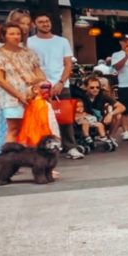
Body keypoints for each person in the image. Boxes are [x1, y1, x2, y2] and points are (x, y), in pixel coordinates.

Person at [26, 11, 84, 158]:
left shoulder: (62, 41)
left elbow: (68, 64)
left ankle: (70, 146)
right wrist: (42, 84)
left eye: (47, 21)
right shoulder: (29, 42)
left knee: (65, 116)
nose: (45, 24)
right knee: (42, 117)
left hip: (61, 84)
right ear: (34, 25)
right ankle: (44, 147)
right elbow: (29, 65)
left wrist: (61, 82)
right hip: (39, 85)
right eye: (41, 22)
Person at [0, 22, 47, 145]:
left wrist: (42, 87)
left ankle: (29, 154)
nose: (16, 36)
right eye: (11, 34)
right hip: (11, 97)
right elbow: (0, 79)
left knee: (32, 126)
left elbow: (38, 72)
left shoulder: (29, 53)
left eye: (18, 34)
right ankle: (10, 158)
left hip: (32, 94)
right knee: (14, 128)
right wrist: (19, 95)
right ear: (4, 36)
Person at [0, 9, 32, 155]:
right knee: (12, 128)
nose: (25, 27)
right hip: (11, 93)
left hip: (24, 91)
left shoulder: (24, 46)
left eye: (28, 24)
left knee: (20, 127)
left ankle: (16, 160)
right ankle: (8, 160)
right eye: (21, 23)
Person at [80, 76, 125, 142]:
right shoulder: (81, 96)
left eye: (98, 87)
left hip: (100, 119)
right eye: (92, 87)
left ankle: (110, 137)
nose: (95, 89)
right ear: (86, 87)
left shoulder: (103, 95)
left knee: (118, 115)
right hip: (85, 120)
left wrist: (110, 114)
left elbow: (122, 107)